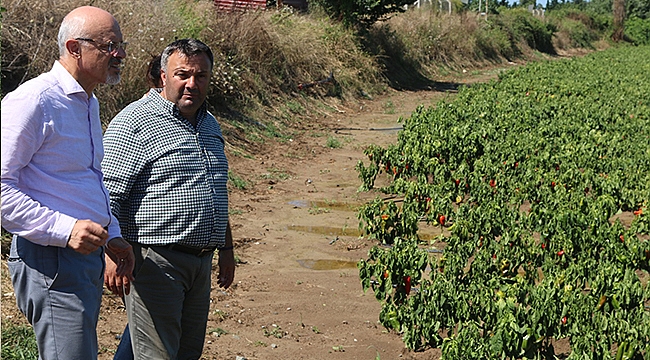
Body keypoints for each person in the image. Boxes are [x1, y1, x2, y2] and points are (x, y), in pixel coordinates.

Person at [1, 6, 135, 360]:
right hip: (51, 259)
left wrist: (113, 233)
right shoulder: (34, 101)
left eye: (121, 45)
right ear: (75, 48)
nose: (119, 54)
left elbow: (87, 178)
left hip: (83, 256)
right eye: (109, 46)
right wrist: (65, 229)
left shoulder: (87, 102)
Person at [102, 38, 236, 360]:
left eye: (201, 76)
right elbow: (107, 193)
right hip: (154, 262)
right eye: (183, 75)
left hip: (201, 263)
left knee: (185, 351)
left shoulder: (209, 124)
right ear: (163, 76)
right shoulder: (134, 122)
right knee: (158, 353)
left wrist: (227, 249)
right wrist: (111, 250)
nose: (192, 84)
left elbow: (216, 191)